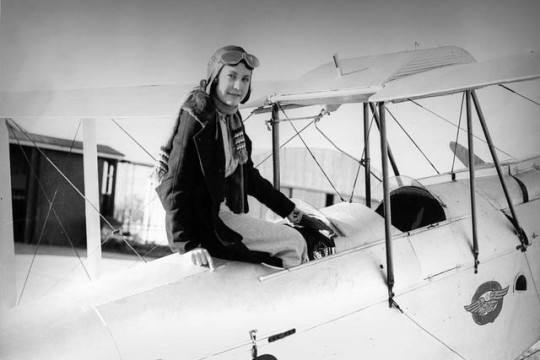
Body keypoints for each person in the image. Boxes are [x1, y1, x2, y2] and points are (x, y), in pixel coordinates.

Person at [155, 45, 309, 270]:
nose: (238, 86)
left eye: (245, 79)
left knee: (292, 237)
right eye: (232, 76)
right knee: (294, 243)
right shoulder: (199, 118)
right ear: (215, 78)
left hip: (221, 214)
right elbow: (176, 182)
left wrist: (291, 211)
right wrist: (186, 245)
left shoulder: (231, 119)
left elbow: (250, 178)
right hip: (205, 223)